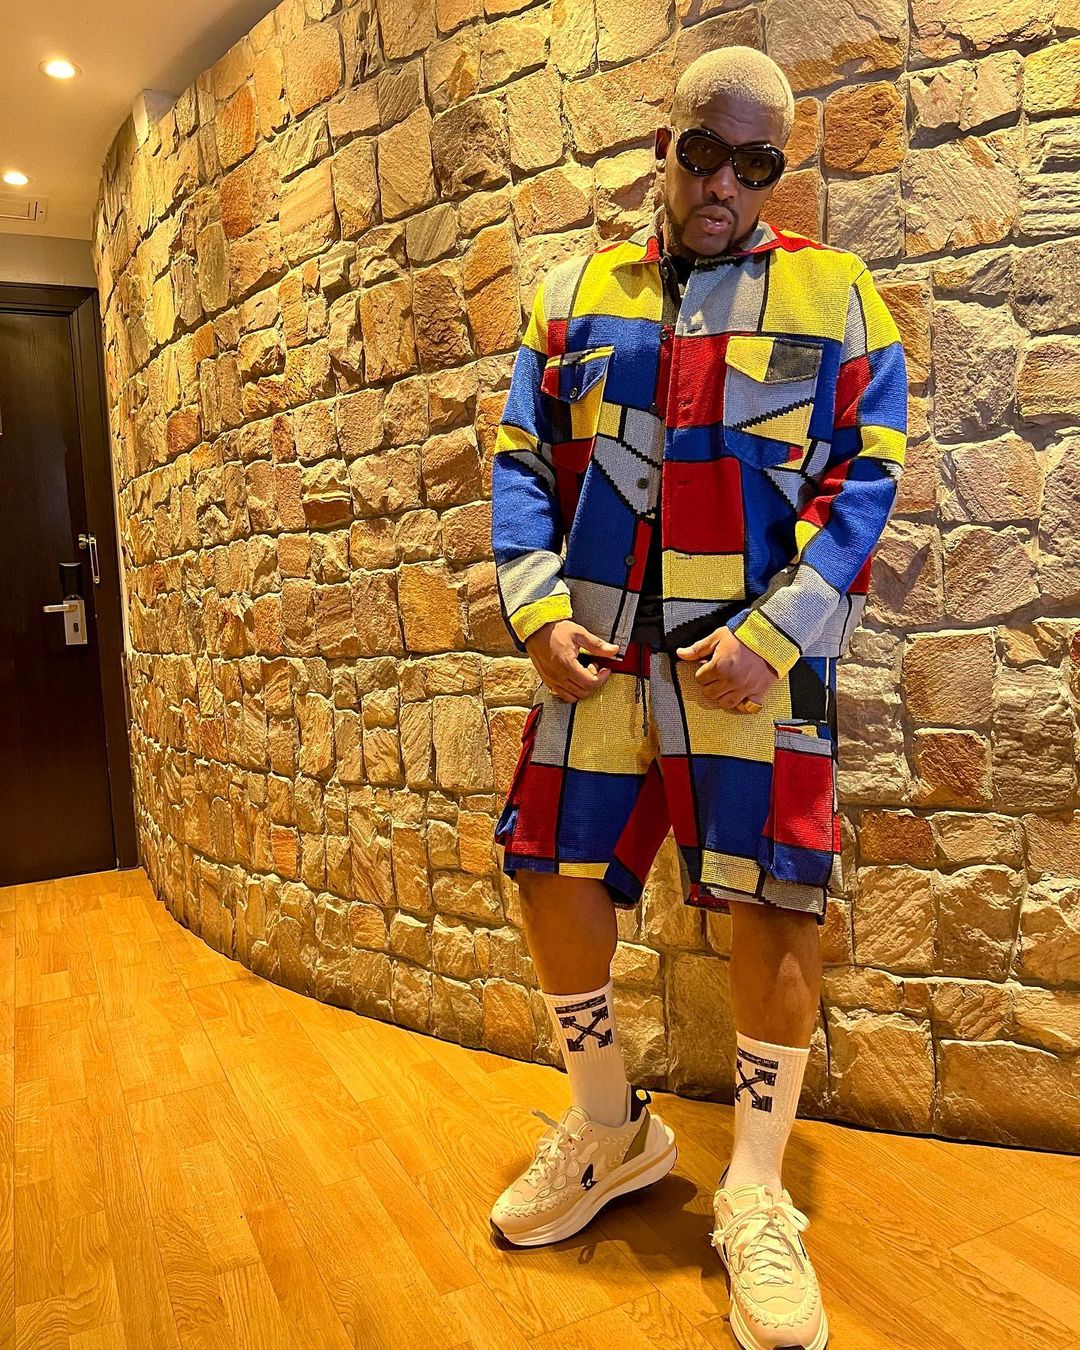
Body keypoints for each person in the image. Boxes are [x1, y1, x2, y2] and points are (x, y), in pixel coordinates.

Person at [488, 42, 907, 1350]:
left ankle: (758, 1191)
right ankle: (610, 1123)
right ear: (664, 148)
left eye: (757, 162)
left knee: (777, 907)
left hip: (752, 673)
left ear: (778, 171)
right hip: (597, 658)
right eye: (707, 152)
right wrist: (537, 612)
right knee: (549, 873)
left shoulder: (838, 296)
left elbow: (867, 475)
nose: (727, 182)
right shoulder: (570, 298)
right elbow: (521, 459)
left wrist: (780, 637)